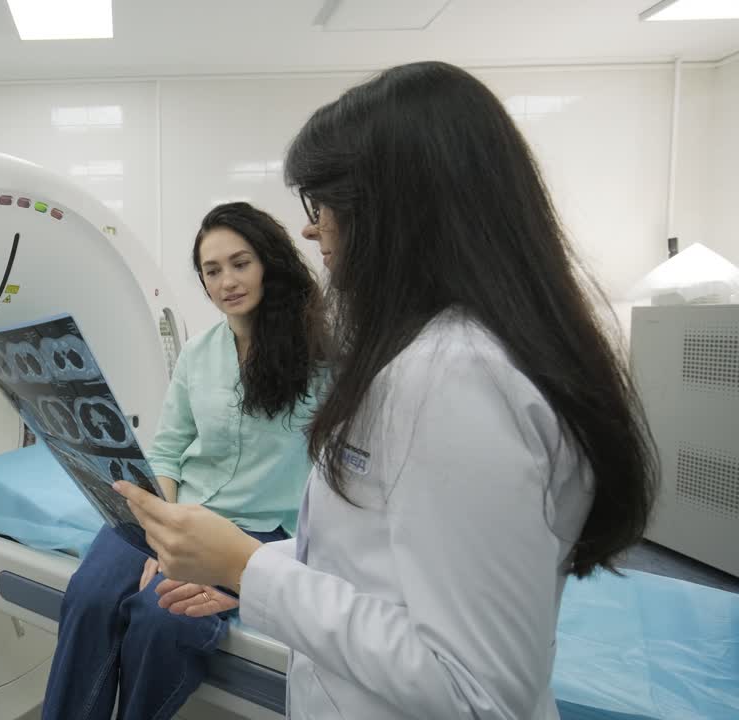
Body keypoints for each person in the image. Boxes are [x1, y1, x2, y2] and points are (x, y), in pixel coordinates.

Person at [116, 61, 658, 720]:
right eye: (210, 270)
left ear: (396, 211)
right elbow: (377, 561)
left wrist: (248, 569)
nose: (313, 228)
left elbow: (479, 693)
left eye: (324, 205)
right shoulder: (426, 359)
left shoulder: (458, 382)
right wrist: (244, 565)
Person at [41, 202, 332, 720]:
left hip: (254, 530)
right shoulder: (198, 353)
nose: (227, 282)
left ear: (269, 263)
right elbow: (168, 451)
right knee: (89, 595)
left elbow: (330, 471)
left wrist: (270, 568)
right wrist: (163, 530)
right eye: (212, 271)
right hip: (172, 510)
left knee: (162, 617)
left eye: (240, 263)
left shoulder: (323, 357)